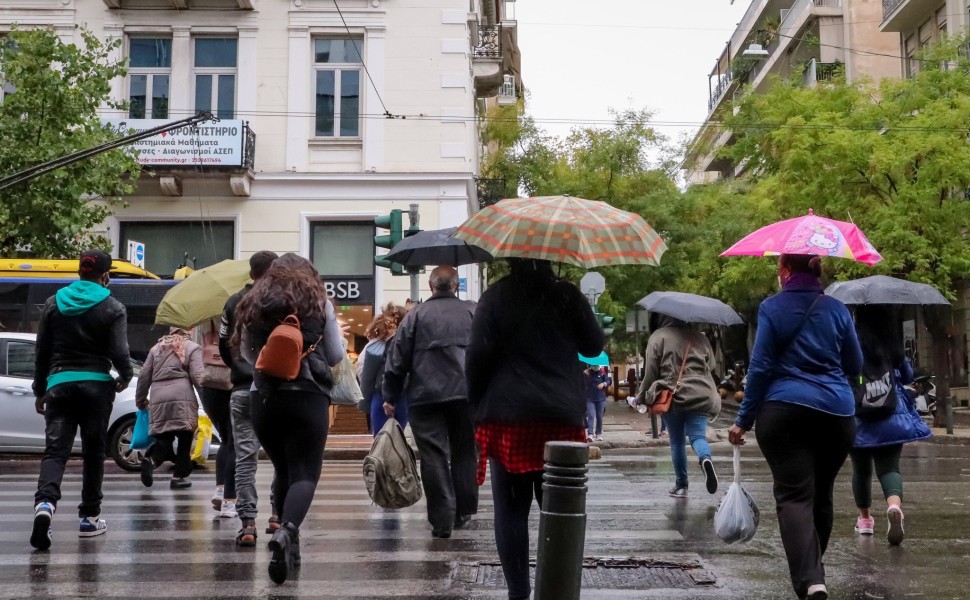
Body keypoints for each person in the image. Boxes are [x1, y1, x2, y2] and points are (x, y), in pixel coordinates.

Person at [466, 258, 603, 600]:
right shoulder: (567, 296)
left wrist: (477, 406)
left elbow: (477, 356)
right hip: (560, 417)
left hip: (509, 414)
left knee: (510, 510)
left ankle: (518, 593)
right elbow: (594, 346)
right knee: (559, 508)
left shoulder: (496, 296)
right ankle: (556, 589)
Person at [728, 254, 863, 600]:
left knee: (793, 496)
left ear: (785, 271)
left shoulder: (772, 308)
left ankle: (811, 579)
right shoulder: (837, 309)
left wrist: (743, 420)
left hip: (784, 412)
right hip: (836, 413)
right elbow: (855, 363)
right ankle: (813, 573)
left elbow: (759, 369)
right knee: (822, 495)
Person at [233, 253, 344, 584]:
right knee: (305, 473)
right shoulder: (319, 302)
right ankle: (286, 532)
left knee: (282, 469)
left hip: (263, 396)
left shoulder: (254, 302)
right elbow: (337, 354)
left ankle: (285, 537)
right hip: (307, 395)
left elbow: (247, 354)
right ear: (309, 274)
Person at [30, 249, 134, 549]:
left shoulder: (53, 303)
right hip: (96, 388)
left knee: (55, 452)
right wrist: (124, 377)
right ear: (105, 275)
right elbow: (119, 352)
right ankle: (89, 517)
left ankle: (45, 506)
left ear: (80, 271)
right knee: (93, 452)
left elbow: (42, 352)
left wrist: (41, 390)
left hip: (59, 385)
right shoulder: (113, 306)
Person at [383, 266, 478, 538]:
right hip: (466, 394)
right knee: (464, 451)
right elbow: (487, 352)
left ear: (431, 285)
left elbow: (397, 360)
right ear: (456, 285)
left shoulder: (416, 316)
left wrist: (390, 395)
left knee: (433, 455)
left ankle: (441, 519)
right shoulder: (472, 312)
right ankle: (463, 510)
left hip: (426, 396)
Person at [849, 305, 931, 546]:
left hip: (859, 417)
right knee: (889, 469)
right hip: (890, 416)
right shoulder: (890, 343)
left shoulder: (851, 340)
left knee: (861, 471)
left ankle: (864, 521)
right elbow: (906, 376)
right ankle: (894, 506)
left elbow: (844, 371)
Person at [218, 250, 278, 546]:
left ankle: (248, 523)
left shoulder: (232, 302)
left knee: (245, 458)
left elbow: (223, 344)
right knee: (283, 458)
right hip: (277, 388)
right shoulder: (281, 301)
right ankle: (277, 515)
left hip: (243, 388)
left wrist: (241, 370)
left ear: (251, 272)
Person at [636, 313, 720, 498]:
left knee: (677, 441)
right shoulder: (700, 337)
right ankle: (705, 458)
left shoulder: (658, 336)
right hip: (701, 394)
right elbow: (711, 365)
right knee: (698, 437)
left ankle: (682, 486)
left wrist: (641, 397)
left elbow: (650, 371)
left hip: (673, 394)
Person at [136, 327, 205, 490]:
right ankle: (178, 476)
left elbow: (144, 375)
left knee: (164, 435)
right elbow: (198, 376)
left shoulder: (156, 349)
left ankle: (152, 459)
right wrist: (206, 401)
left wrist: (140, 400)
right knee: (185, 436)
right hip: (182, 396)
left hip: (159, 396)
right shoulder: (192, 347)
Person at [197, 318, 237, 518]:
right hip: (231, 381)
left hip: (210, 383)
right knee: (233, 441)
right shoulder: (237, 312)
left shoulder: (207, 320)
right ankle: (230, 501)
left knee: (225, 439)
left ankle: (220, 488)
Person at [357, 302, 409, 435]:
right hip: (404, 395)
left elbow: (362, 370)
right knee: (402, 440)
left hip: (379, 395)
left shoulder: (374, 345)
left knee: (381, 442)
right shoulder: (407, 342)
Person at [584, 364, 610, 442]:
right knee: (591, 415)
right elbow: (582, 382)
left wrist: (604, 384)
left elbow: (608, 381)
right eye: (593, 365)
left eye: (596, 365)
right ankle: (590, 434)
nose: (594, 366)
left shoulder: (602, 372)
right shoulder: (587, 373)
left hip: (600, 398)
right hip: (589, 398)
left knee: (599, 416)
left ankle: (598, 433)